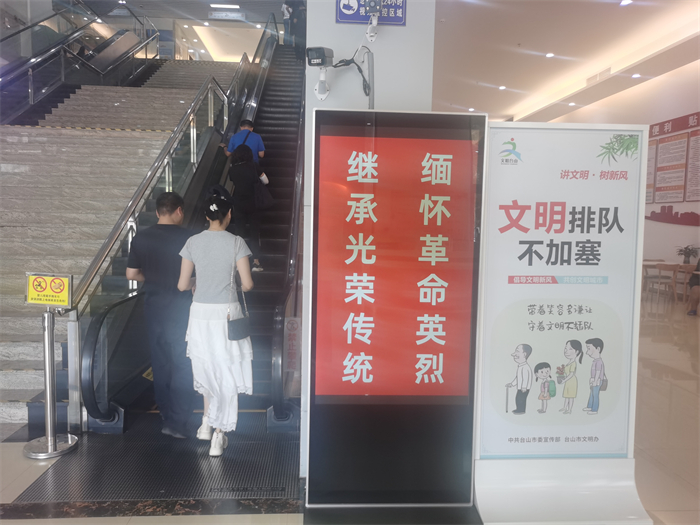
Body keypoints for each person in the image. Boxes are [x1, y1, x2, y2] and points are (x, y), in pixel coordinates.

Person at [177, 193, 255, 457]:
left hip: (200, 314)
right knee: (226, 370)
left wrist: (197, 282)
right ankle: (219, 435)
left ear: (206, 216)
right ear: (229, 214)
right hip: (227, 314)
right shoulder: (236, 242)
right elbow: (247, 284)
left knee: (207, 367)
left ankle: (205, 423)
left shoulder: (192, 242)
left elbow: (182, 284)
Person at [126, 192, 194, 439]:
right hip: (182, 309)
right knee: (183, 363)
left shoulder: (141, 237)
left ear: (157, 212)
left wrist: (153, 279)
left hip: (154, 308)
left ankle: (165, 416)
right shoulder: (190, 238)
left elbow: (131, 274)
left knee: (161, 362)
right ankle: (179, 421)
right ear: (179, 211)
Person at [229, 144, 269, 272]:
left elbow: (233, 181)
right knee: (254, 233)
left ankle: (239, 263)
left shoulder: (232, 169)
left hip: (238, 203)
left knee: (239, 233)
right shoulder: (254, 166)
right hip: (253, 203)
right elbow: (266, 181)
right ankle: (256, 262)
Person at [506, 344, 533, 415]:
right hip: (521, 387)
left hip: (524, 388)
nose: (514, 354)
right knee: (518, 398)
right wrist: (512, 384)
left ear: (524, 354)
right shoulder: (521, 366)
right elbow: (518, 378)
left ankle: (521, 410)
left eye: (517, 351)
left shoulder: (525, 367)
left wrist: (524, 387)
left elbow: (526, 378)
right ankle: (519, 409)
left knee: (521, 399)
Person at [559, 339, 583, 414]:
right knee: (566, 395)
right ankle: (564, 407)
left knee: (571, 396)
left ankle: (569, 409)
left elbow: (571, 374)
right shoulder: (569, 362)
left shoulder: (573, 363)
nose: (566, 351)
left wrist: (564, 380)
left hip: (571, 381)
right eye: (565, 348)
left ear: (577, 352)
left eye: (570, 349)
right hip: (568, 381)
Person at [583, 337, 606, 415]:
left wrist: (595, 380)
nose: (587, 352)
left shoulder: (599, 362)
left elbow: (598, 372)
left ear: (598, 349)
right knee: (592, 393)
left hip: (598, 380)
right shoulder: (595, 361)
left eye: (589, 348)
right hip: (594, 380)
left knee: (595, 394)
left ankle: (594, 409)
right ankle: (590, 406)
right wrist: (592, 379)